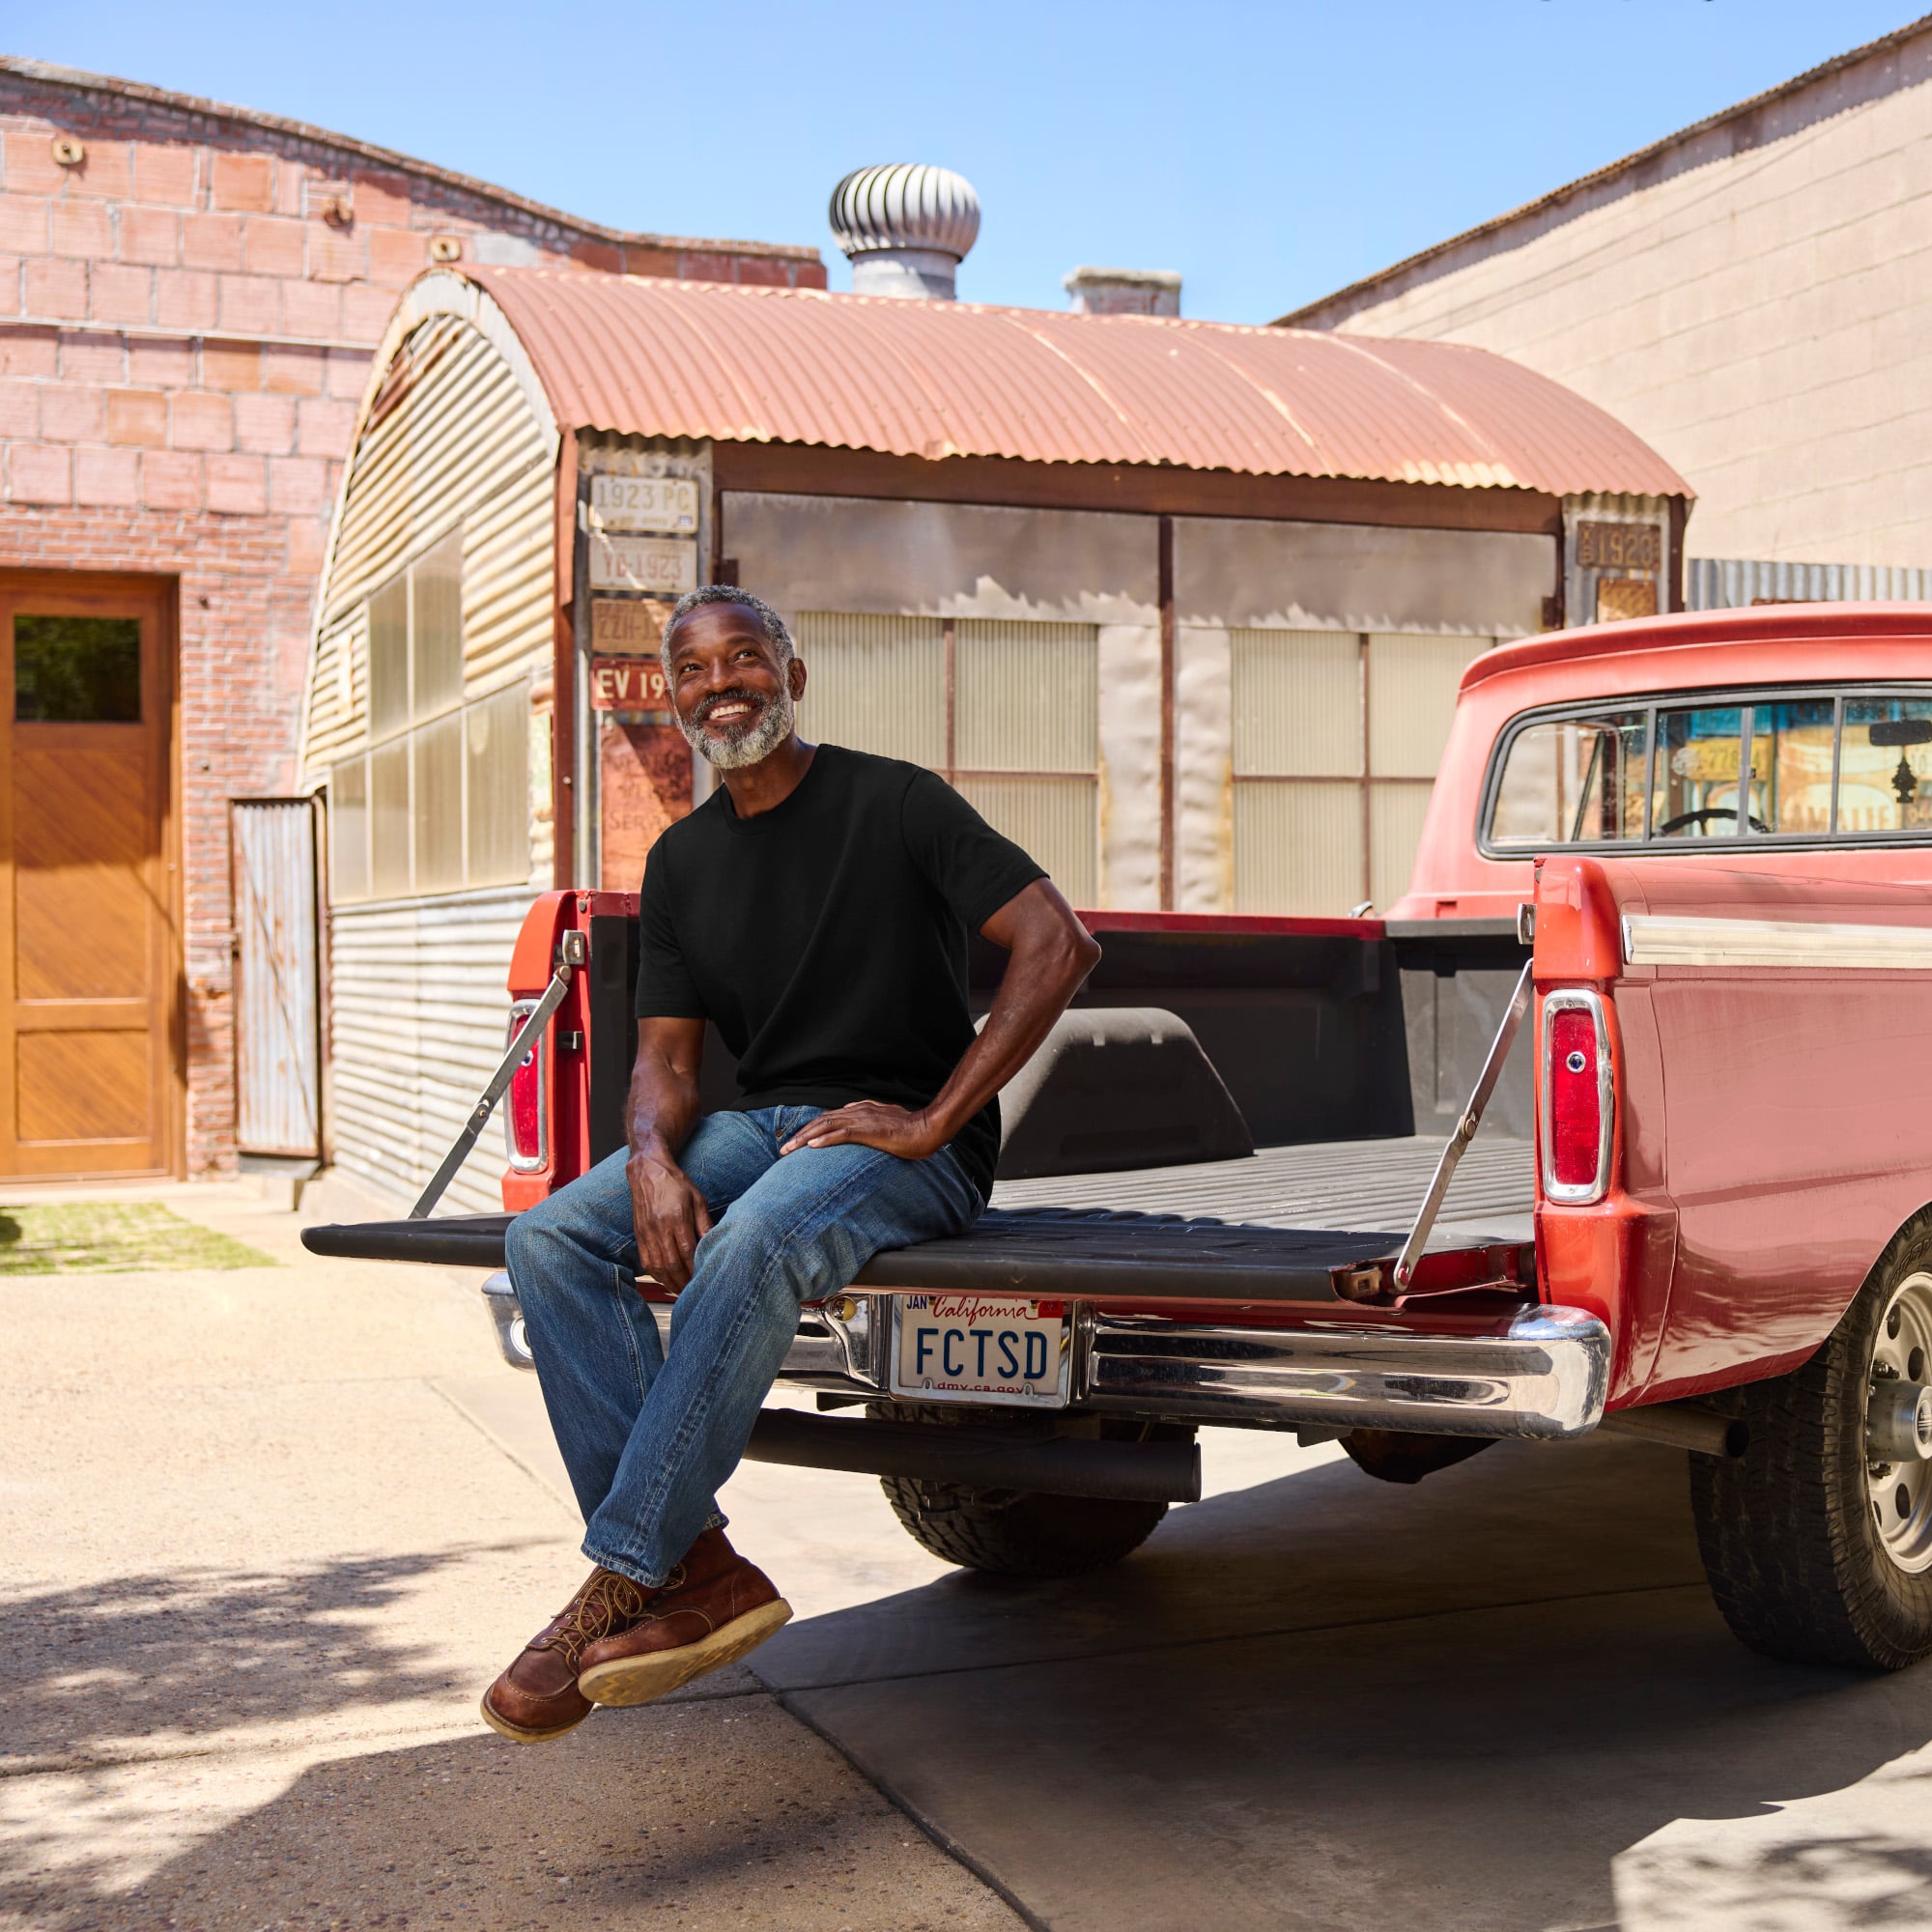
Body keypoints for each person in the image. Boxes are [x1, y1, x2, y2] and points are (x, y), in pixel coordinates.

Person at [482, 585, 1101, 1743]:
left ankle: (621, 1576)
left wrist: (932, 1119)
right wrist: (653, 1155)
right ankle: (698, 1563)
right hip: (756, 1125)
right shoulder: (681, 863)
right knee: (546, 1237)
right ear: (673, 701)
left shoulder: (895, 799)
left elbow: (1057, 942)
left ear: (793, 675)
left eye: (746, 658)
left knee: (760, 1236)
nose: (723, 684)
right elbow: (666, 1057)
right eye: (695, 670)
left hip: (903, 1143)